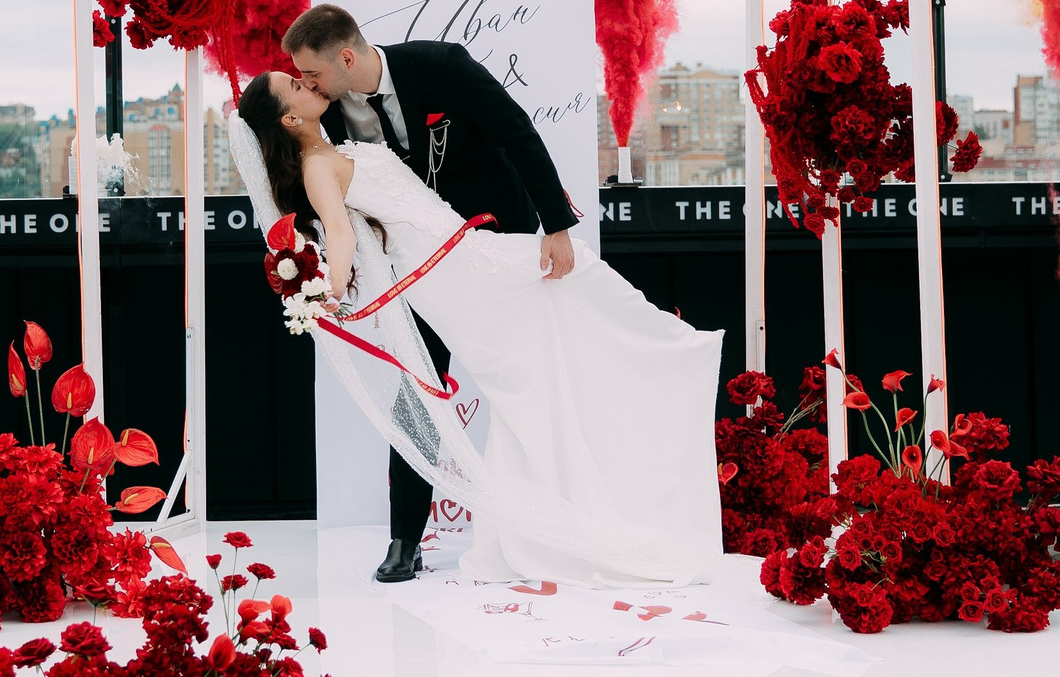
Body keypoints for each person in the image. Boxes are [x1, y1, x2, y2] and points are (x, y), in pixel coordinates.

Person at [236, 62, 724, 589]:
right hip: (451, 273)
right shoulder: (316, 167)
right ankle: (670, 355)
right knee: (566, 298)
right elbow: (340, 233)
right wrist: (328, 292)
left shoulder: (340, 140)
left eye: (303, 72)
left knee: (541, 363)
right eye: (292, 84)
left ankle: (568, 513)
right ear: (287, 120)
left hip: (468, 250)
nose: (304, 81)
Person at [282, 5, 583, 582]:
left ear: (346, 58)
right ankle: (405, 539)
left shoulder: (441, 65)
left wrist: (557, 227)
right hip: (420, 266)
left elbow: (517, 131)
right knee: (418, 389)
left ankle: (549, 520)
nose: (308, 85)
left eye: (312, 74)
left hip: (498, 246)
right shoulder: (326, 120)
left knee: (524, 380)